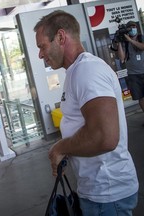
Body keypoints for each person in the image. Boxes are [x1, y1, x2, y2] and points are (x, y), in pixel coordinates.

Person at [34, 10, 138, 215]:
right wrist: (67, 150)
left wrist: (61, 147)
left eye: (42, 46)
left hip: (108, 195)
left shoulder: (87, 71)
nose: (40, 54)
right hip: (97, 193)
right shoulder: (76, 72)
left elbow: (105, 137)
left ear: (61, 37)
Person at [117, 21, 144, 119]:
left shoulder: (141, 37)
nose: (132, 29)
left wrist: (131, 40)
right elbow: (122, 57)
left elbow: (142, 47)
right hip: (133, 75)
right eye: (130, 27)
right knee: (140, 97)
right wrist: (119, 42)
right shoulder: (125, 43)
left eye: (134, 27)